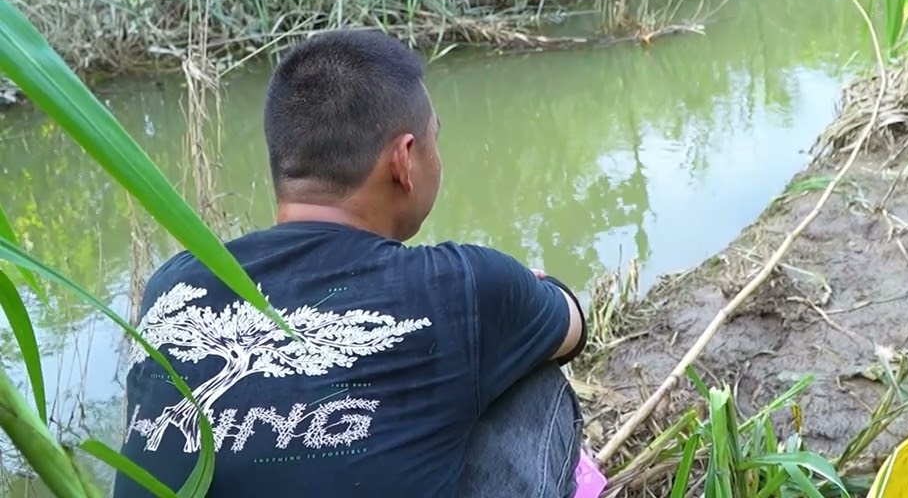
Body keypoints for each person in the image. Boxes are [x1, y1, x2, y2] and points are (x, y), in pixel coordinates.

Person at [113, 29, 588, 498]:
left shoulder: (174, 286)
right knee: (528, 370)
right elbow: (573, 324)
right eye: (433, 142)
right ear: (404, 160)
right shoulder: (457, 284)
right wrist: (517, 297)